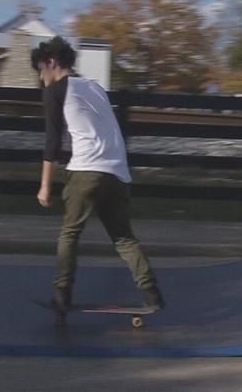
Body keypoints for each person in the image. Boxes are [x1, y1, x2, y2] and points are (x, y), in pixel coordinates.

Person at [32, 36, 164, 313]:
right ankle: (151, 293)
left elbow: (52, 142)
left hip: (86, 172)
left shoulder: (56, 90)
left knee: (69, 234)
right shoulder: (95, 87)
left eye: (40, 71)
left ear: (51, 63)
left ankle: (62, 293)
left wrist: (45, 185)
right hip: (117, 173)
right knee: (124, 238)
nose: (41, 79)